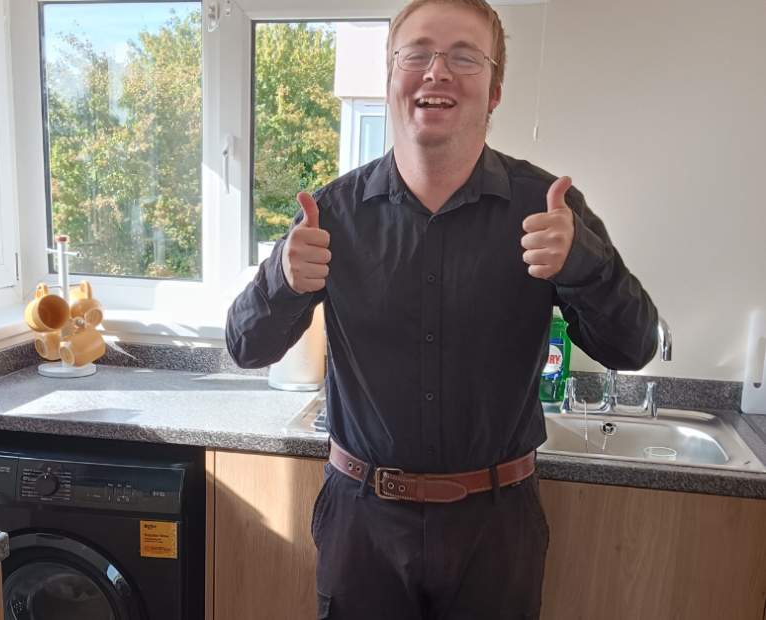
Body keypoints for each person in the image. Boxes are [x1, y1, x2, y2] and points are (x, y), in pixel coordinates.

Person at [226, 0, 659, 617]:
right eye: (417, 54)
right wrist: (281, 279)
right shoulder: (331, 215)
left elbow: (634, 346)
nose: (437, 71)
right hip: (362, 524)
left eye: (464, 57)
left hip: (498, 529)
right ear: (391, 77)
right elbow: (245, 347)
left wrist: (586, 264)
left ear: (495, 91)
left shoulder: (550, 211)